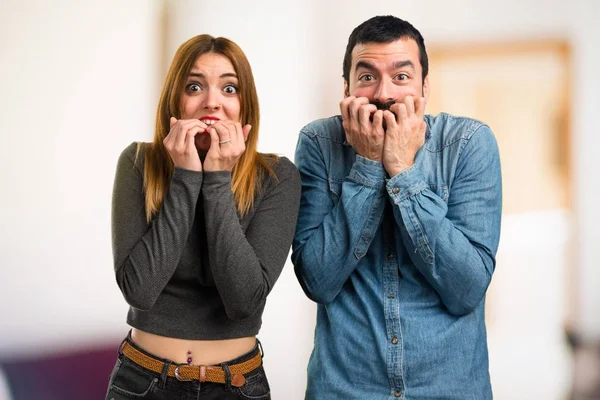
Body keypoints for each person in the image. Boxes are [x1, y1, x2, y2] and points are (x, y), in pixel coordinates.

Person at [292, 15, 502, 399]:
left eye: (401, 77)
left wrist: (403, 172)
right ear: (347, 88)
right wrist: (369, 165)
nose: (383, 93)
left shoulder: (470, 143)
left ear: (424, 87)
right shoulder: (318, 143)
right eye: (367, 76)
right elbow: (317, 281)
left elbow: (467, 288)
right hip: (345, 390)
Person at [107, 34, 300, 400]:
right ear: (175, 102)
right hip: (142, 381)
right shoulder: (137, 162)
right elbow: (140, 291)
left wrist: (216, 181)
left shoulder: (277, 176)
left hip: (235, 385)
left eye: (229, 88)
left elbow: (244, 303)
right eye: (195, 86)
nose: (212, 101)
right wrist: (186, 177)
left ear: (245, 106)